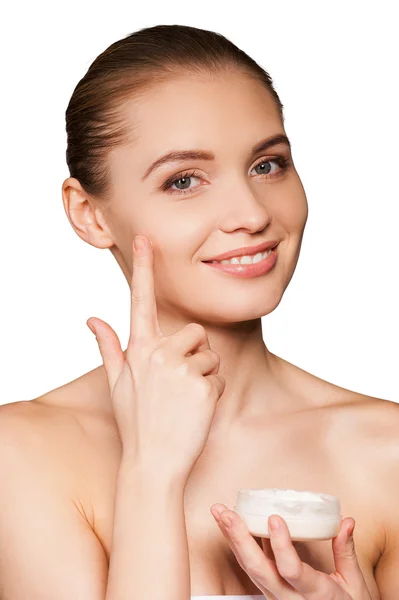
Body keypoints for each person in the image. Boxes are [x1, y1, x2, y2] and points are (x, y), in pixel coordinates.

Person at [0, 23, 397, 600]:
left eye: (267, 165)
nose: (251, 213)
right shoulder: (23, 455)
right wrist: (150, 474)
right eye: (183, 180)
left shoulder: (385, 451)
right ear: (89, 213)